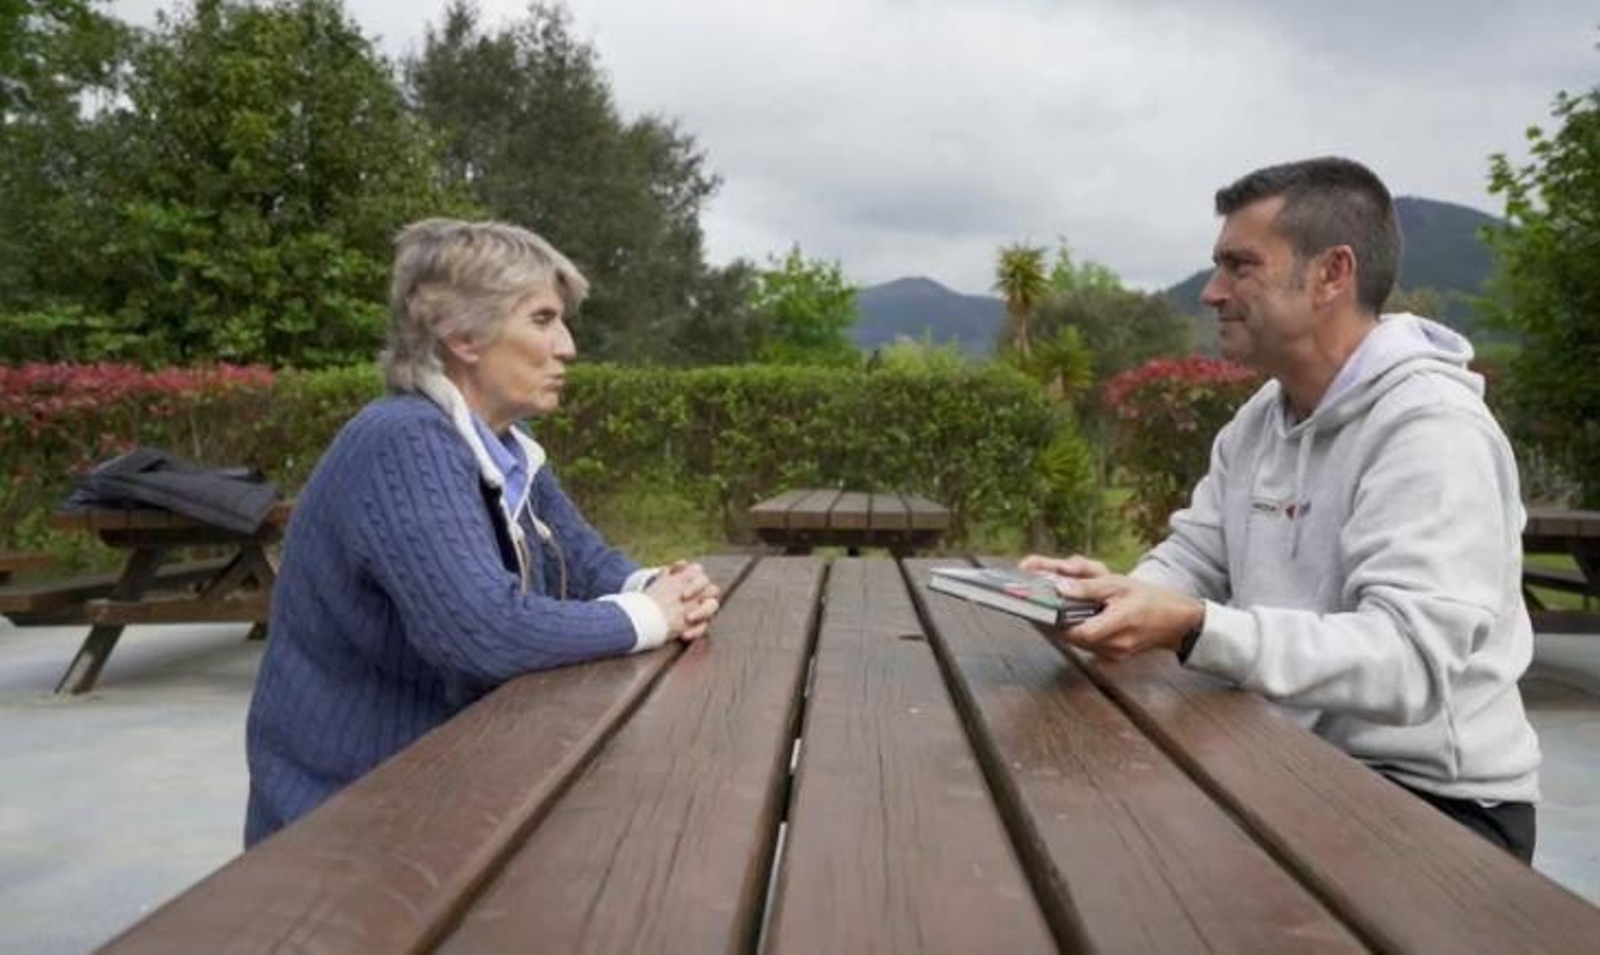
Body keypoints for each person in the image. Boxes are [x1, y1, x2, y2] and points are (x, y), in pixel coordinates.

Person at [1024, 157, 1540, 862]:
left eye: (1240, 266)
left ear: (1332, 273)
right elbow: (1193, 559)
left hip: (1433, 803)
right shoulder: (1262, 419)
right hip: (1288, 754)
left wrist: (1196, 626)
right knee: (1086, 831)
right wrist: (1117, 599)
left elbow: (1409, 664)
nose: (1211, 292)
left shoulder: (1432, 429)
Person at [245, 219, 720, 846]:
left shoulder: (503, 446)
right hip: (353, 822)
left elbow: (585, 563)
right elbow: (483, 632)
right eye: (543, 320)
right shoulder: (404, 441)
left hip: (452, 779)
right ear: (463, 334)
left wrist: (663, 587)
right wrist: (651, 616)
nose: (568, 347)